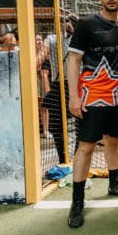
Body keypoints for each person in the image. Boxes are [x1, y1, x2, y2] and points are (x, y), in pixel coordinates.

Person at [66, 0, 118, 228]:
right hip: (92, 96)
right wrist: (74, 96)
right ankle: (77, 201)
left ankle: (115, 183)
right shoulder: (86, 24)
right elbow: (74, 60)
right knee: (86, 146)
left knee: (114, 141)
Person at [43, 16, 75, 164]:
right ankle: (65, 160)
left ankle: (71, 160)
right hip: (62, 84)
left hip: (74, 84)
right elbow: (41, 55)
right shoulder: (52, 39)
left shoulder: (81, 38)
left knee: (75, 126)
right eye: (64, 21)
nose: (66, 24)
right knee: (57, 126)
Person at [35, 34, 51, 138]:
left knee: (44, 107)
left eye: (41, 39)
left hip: (42, 83)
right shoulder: (30, 56)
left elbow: (45, 73)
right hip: (34, 83)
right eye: (37, 40)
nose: (40, 42)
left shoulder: (46, 57)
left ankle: (45, 131)